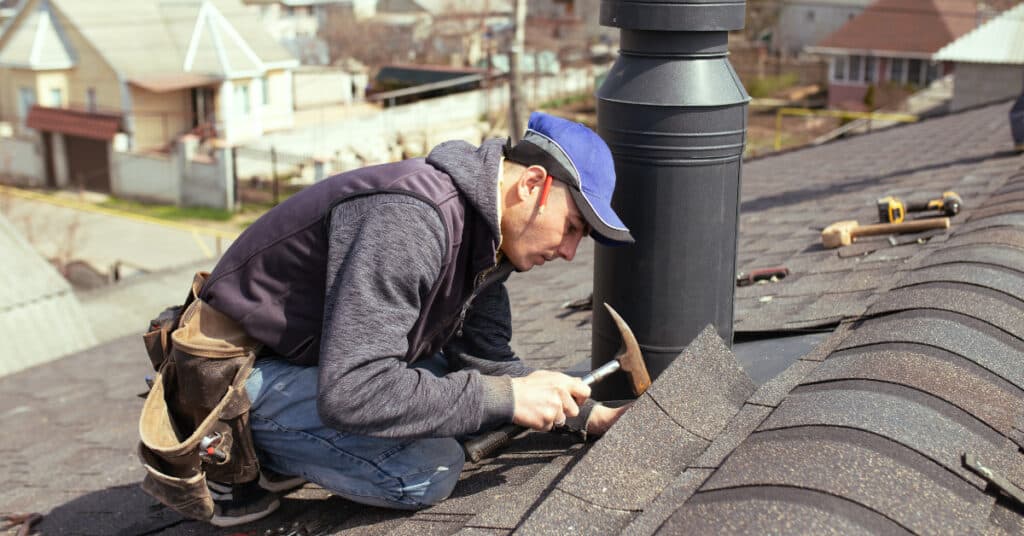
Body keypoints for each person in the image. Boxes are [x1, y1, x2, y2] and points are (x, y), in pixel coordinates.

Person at [199, 112, 635, 526]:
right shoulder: (412, 220)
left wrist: (590, 415)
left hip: (315, 363)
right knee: (428, 468)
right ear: (532, 184)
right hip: (234, 378)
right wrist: (505, 398)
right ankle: (239, 454)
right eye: (573, 226)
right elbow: (353, 390)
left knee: (467, 396)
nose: (569, 252)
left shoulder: (487, 241)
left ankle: (301, 444)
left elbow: (484, 366)